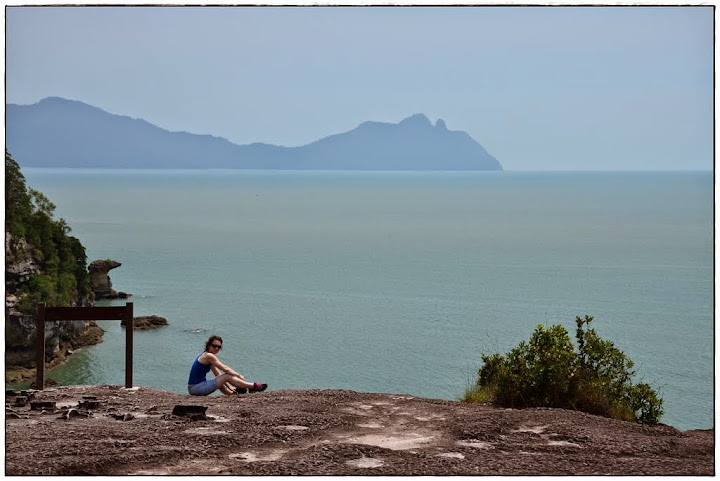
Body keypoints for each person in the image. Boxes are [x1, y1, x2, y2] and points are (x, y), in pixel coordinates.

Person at [187, 335, 267, 396]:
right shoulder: (209, 356)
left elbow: (217, 374)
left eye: (219, 347)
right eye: (214, 346)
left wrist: (229, 386)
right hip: (196, 388)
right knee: (226, 376)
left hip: (195, 388)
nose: (216, 348)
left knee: (220, 379)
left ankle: (232, 395)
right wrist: (238, 375)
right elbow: (225, 368)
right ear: (208, 345)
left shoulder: (206, 356)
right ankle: (253, 386)